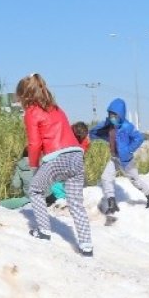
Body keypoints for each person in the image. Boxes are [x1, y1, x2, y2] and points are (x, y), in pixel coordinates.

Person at [19, 73, 94, 256]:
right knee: (76, 202)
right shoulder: (57, 109)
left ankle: (44, 231)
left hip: (56, 157)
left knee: (35, 189)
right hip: (76, 155)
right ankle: (86, 245)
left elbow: (34, 144)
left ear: (25, 96)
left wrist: (34, 166)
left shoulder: (31, 112)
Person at [90, 98, 149, 220]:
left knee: (135, 180)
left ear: (120, 115)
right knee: (106, 177)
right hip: (114, 158)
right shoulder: (109, 126)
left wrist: (129, 150)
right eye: (110, 114)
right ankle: (112, 202)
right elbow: (93, 133)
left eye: (114, 115)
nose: (112, 117)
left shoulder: (127, 126)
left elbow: (139, 138)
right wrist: (104, 124)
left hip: (126, 160)